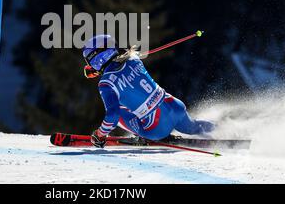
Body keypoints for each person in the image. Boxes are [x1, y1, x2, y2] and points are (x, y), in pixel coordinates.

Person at [82, 34, 215, 148]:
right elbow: (121, 64)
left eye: (89, 61)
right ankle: (223, 128)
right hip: (175, 107)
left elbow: (113, 116)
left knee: (118, 110)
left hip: (158, 128)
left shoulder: (106, 84)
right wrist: (100, 69)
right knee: (193, 127)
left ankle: (143, 136)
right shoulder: (134, 58)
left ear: (96, 58)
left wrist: (99, 135)